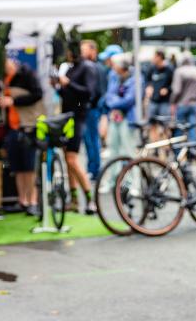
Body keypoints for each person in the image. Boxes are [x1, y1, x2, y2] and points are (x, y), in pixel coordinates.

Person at [0, 58, 43, 215]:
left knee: (30, 167)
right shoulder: (1, 80)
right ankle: (23, 201)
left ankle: (33, 201)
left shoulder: (27, 74)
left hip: (29, 126)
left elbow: (37, 94)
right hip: (12, 128)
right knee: (18, 168)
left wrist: (14, 100)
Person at [57, 44, 98, 214]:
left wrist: (68, 83)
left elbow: (89, 92)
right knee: (68, 159)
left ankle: (90, 200)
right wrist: (61, 86)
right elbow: (68, 92)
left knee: (72, 159)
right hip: (68, 117)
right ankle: (74, 199)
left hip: (78, 117)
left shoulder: (87, 68)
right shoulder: (72, 68)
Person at [105, 53, 138, 169]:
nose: (112, 66)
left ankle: (133, 183)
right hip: (115, 118)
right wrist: (116, 101)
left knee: (128, 151)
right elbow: (108, 96)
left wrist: (115, 102)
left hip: (128, 119)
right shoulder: (114, 76)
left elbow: (129, 100)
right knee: (113, 150)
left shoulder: (136, 78)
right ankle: (113, 181)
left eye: (114, 64)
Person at [81, 39, 104, 181]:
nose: (82, 53)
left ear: (93, 50)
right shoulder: (91, 66)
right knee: (89, 140)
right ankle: (92, 168)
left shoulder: (96, 68)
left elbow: (99, 91)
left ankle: (94, 169)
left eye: (84, 50)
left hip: (92, 109)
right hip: (90, 109)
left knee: (92, 139)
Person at [170, 51, 196, 144]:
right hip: (194, 104)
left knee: (179, 130)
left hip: (181, 104)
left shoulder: (179, 71)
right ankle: (192, 153)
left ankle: (178, 154)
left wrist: (172, 102)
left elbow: (176, 91)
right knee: (192, 129)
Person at [145, 49, 173, 140]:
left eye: (155, 56)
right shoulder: (152, 68)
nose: (153, 58)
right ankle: (154, 147)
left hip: (164, 102)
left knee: (165, 125)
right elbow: (148, 81)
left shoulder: (169, 69)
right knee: (152, 124)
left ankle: (166, 148)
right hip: (153, 101)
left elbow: (173, 85)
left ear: (160, 57)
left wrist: (167, 89)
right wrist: (149, 87)